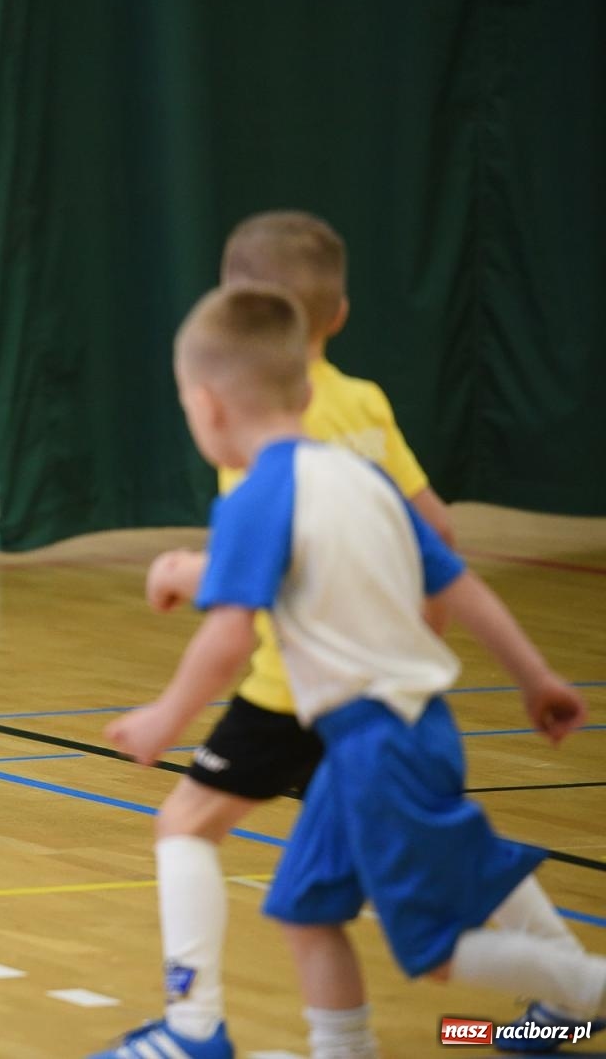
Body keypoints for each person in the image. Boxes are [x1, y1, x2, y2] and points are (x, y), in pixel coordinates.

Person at [97, 283, 605, 1059]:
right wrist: (534, 676)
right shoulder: (360, 477)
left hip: (380, 744)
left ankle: (590, 993)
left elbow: (232, 634)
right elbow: (456, 580)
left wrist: (164, 718)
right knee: (306, 909)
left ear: (206, 405)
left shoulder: (258, 495)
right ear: (305, 388)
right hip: (382, 733)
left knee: (433, 954)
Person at [92, 211, 459, 1058]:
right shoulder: (360, 402)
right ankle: (565, 998)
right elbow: (429, 532)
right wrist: (411, 650)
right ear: (337, 317)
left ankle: (193, 1029)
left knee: (185, 824)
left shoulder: (251, 407)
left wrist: (172, 682)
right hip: (382, 690)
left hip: (293, 684)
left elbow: (269, 557)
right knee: (425, 893)